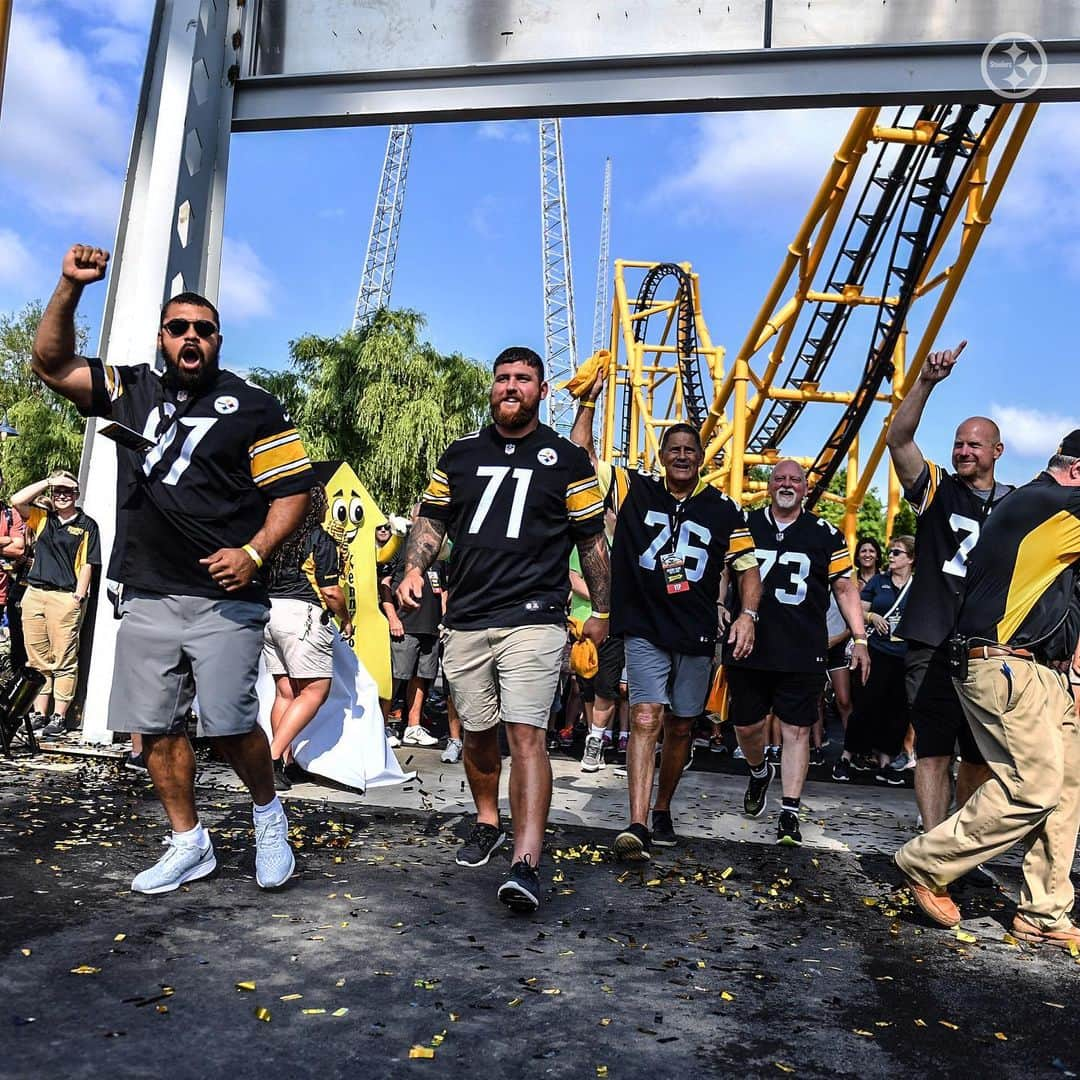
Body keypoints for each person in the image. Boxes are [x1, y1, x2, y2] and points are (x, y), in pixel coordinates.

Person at [31, 244, 314, 895]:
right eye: (178, 328)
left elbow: (292, 492)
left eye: (203, 330)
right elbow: (50, 363)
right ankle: (190, 843)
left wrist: (253, 552)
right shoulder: (130, 389)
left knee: (229, 721)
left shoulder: (253, 406)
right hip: (148, 592)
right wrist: (70, 286)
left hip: (223, 597)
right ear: (163, 337)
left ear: (217, 341)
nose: (190, 338)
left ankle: (269, 817)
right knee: (151, 725)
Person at [397, 346, 609, 913]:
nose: (511, 386)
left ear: (541, 390)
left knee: (527, 734)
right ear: (492, 388)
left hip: (535, 617)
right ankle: (487, 819)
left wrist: (604, 612)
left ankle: (527, 861)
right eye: (503, 379)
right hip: (467, 616)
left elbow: (591, 540)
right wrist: (414, 566)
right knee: (476, 733)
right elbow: (432, 520)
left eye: (523, 379)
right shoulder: (460, 453)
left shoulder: (567, 458)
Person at [894, 433, 1080, 945]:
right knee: (1033, 786)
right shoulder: (1052, 501)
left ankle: (1044, 912)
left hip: (1043, 672)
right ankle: (926, 861)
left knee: (1065, 790)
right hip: (1004, 666)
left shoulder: (1048, 512)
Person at [567, 380, 761, 857]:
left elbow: (747, 569)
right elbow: (581, 459)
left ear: (700, 457)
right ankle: (637, 822)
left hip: (695, 630)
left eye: (688, 450)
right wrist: (588, 401)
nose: (680, 456)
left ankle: (663, 805)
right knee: (647, 715)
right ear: (662, 455)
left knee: (679, 726)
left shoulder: (723, 508)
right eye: (672, 449)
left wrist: (748, 614)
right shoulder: (636, 487)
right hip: (644, 625)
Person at [885, 340, 1010, 833]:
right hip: (933, 637)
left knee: (979, 754)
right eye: (958, 443)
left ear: (996, 452)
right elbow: (898, 440)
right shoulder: (938, 489)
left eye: (973, 444)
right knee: (933, 747)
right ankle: (933, 842)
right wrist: (926, 382)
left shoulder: (1017, 505)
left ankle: (958, 837)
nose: (962, 451)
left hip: (989, 645)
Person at [725, 460, 870, 845]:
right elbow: (726, 572)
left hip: (803, 646)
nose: (787, 484)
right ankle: (758, 772)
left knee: (797, 729)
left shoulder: (825, 533)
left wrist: (860, 637)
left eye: (795, 480)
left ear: (806, 489)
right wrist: (718, 607)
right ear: (769, 486)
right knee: (746, 726)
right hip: (749, 644)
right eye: (780, 479)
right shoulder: (746, 523)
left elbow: (844, 587)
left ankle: (789, 810)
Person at [262, 483, 353, 790]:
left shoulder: (277, 536)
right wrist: (347, 619)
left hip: (269, 612)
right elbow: (330, 591)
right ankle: (273, 758)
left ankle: (286, 763)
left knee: (285, 691)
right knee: (315, 691)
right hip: (302, 616)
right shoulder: (320, 539)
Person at [11, 470, 100, 737]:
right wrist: (50, 481)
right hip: (35, 593)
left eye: (68, 491)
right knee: (37, 659)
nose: (62, 496)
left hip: (64, 596)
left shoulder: (87, 525)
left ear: (77, 494)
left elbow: (88, 563)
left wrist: (78, 596)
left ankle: (59, 717)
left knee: (63, 659)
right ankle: (40, 713)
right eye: (58, 492)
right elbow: (17, 500)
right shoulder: (43, 518)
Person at [853, 535, 916, 785]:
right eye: (890, 552)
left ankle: (886, 763)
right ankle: (851, 756)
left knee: (898, 711)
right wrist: (872, 618)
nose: (891, 556)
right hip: (879, 650)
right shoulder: (879, 581)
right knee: (868, 703)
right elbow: (857, 608)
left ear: (910, 558)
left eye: (897, 553)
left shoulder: (919, 584)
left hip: (906, 654)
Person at [381, 506, 444, 749]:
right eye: (423, 516)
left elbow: (444, 589)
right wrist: (392, 618)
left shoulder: (439, 552)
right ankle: (383, 725)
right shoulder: (401, 546)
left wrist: (444, 620)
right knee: (396, 677)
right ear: (412, 518)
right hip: (405, 624)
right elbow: (385, 584)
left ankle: (413, 726)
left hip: (431, 626)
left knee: (422, 678)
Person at [0, 471, 28, 670]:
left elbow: (19, 548)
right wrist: (5, 540)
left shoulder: (10, 514)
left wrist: (11, 541)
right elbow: (12, 543)